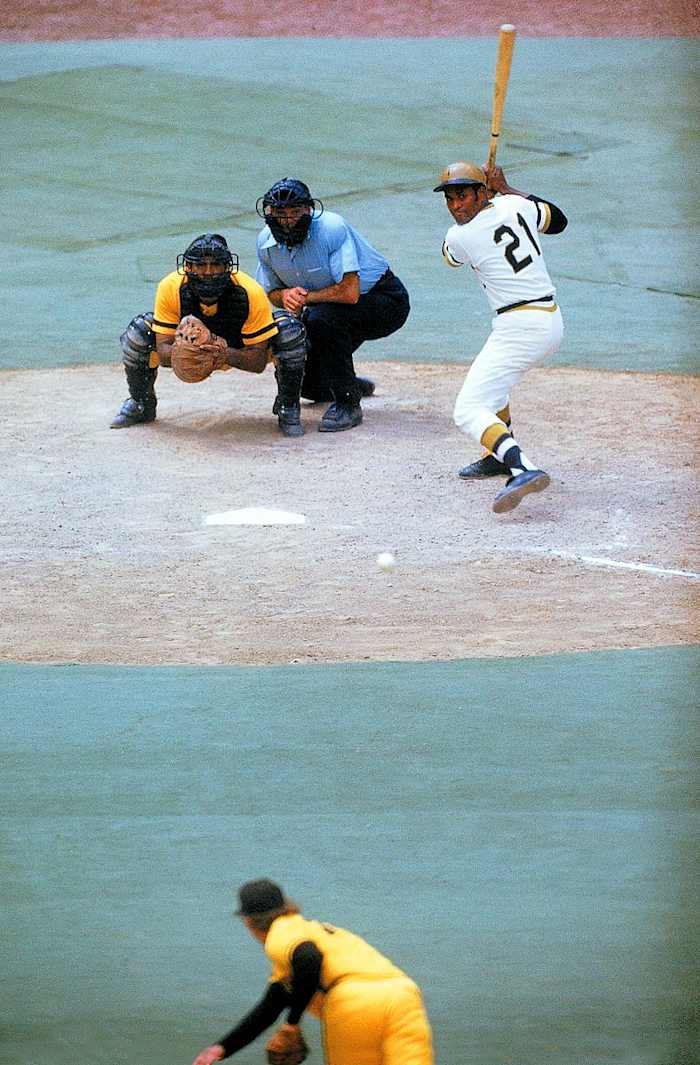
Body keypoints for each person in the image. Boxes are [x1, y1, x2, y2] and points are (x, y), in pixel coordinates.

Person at [434, 161, 567, 513]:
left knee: (467, 410)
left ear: (480, 193)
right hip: (549, 320)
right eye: (450, 199)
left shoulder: (459, 236)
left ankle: (522, 468)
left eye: (463, 195)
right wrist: (507, 190)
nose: (456, 206)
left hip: (521, 328)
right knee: (494, 388)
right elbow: (558, 220)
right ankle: (497, 456)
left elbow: (450, 259)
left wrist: (496, 197)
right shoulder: (516, 204)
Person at [191, 878, 434, 1065]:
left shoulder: (280, 933)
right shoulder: (314, 930)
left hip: (354, 1001)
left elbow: (308, 957)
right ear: (287, 906)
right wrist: (221, 1048)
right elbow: (272, 1005)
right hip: (403, 994)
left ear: (248, 921)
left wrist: (292, 1024)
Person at [110, 233, 308, 437]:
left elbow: (258, 362)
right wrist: (187, 350)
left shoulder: (250, 291)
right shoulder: (170, 286)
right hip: (188, 347)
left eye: (216, 265)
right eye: (200, 265)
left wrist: (221, 352)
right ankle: (141, 402)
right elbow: (162, 350)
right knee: (139, 331)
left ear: (227, 267)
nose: (208, 272)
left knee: (289, 331)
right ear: (188, 267)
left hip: (236, 348)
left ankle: (288, 406)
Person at [255, 178, 411, 432]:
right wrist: (285, 296)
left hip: (383, 300)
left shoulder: (332, 228)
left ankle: (348, 403)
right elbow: (271, 291)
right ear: (269, 212)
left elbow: (350, 292)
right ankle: (350, 383)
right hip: (328, 307)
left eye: (295, 212)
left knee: (322, 320)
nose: (288, 220)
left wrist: (304, 298)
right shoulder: (265, 243)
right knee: (308, 384)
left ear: (309, 210)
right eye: (281, 213)